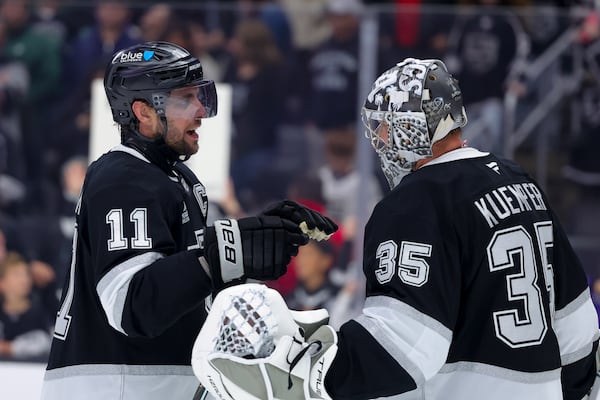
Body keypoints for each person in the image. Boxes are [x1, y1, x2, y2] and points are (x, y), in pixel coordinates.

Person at [195, 58, 600, 400]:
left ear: (412, 127)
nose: (380, 139)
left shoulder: (417, 201)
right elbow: (578, 327)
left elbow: (403, 345)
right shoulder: (519, 181)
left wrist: (308, 368)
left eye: (385, 127)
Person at [40, 41, 337, 400]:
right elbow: (131, 306)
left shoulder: (179, 180)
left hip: (153, 384)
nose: (201, 111)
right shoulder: (123, 178)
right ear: (144, 112)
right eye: (185, 99)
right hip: (113, 385)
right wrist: (224, 251)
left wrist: (255, 238)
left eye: (201, 96)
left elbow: (188, 286)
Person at [0, 251, 52, 362]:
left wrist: (10, 348)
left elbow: (46, 342)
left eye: (26, 274)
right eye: (16, 274)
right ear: (2, 283)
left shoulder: (39, 313)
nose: (24, 279)